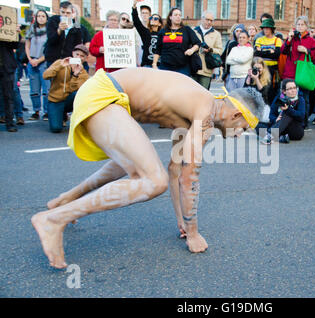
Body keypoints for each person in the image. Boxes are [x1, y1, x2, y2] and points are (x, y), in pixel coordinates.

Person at [30, 67, 266, 269]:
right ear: (236, 114)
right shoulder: (204, 116)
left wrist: (182, 222)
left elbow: (176, 170)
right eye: (244, 128)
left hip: (104, 92)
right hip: (105, 95)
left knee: (141, 166)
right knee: (154, 181)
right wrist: (193, 234)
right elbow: (189, 177)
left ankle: (66, 199)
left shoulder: (197, 109)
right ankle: (54, 219)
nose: (240, 134)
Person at [281, 16, 315, 126]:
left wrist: (307, 50)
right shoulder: (292, 38)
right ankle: (285, 120)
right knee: (287, 98)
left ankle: (303, 122)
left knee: (303, 99)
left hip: (303, 74)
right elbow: (283, 51)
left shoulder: (311, 40)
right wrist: (288, 39)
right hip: (290, 72)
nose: (300, 26)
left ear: (306, 26)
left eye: (302, 24)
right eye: (298, 24)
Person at [43, 44, 89, 133]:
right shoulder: (60, 62)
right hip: (55, 100)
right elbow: (45, 75)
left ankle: (78, 119)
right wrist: (60, 65)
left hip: (69, 99)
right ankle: (61, 114)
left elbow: (74, 89)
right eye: (77, 54)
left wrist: (76, 74)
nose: (79, 57)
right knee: (56, 129)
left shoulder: (83, 73)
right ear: (72, 54)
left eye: (82, 56)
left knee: (79, 95)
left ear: (85, 58)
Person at [153, 7, 200, 77]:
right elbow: (158, 50)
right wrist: (154, 64)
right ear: (170, 17)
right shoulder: (163, 31)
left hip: (182, 68)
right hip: (165, 67)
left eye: (180, 15)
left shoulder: (187, 30)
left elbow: (197, 43)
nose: (178, 17)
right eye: (176, 15)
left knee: (182, 87)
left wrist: (192, 50)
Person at [45, 1, 91, 68]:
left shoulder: (77, 25)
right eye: (63, 12)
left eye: (68, 13)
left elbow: (77, 44)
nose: (65, 15)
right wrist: (59, 30)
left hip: (69, 60)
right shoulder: (53, 21)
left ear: (72, 13)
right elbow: (51, 40)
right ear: (59, 11)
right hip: (53, 59)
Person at [262, 78, 306, 144]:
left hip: (295, 130)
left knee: (286, 114)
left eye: (294, 88)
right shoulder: (279, 99)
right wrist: (275, 119)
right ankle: (281, 138)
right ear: (284, 91)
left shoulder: (300, 99)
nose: (293, 90)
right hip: (281, 127)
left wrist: (288, 109)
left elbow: (301, 116)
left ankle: (270, 135)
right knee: (259, 125)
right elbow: (271, 115)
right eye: (290, 89)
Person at [25, 10, 50, 121]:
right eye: (38, 16)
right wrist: (30, 59)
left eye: (43, 16)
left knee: (46, 89)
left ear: (46, 18)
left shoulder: (50, 30)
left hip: (43, 62)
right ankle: (36, 111)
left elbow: (49, 49)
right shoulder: (32, 29)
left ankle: (46, 112)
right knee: (34, 90)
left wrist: (39, 60)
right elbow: (27, 45)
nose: (40, 18)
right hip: (32, 62)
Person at [254, 18, 282, 105]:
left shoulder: (277, 40)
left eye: (267, 28)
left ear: (272, 29)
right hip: (261, 69)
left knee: (271, 91)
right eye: (264, 28)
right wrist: (269, 51)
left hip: (273, 70)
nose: (265, 30)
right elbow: (256, 53)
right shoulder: (259, 39)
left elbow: (276, 54)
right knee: (260, 90)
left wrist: (262, 52)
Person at [193, 11, 223, 90]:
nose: (209, 22)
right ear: (202, 19)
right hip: (193, 68)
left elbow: (220, 50)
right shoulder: (193, 31)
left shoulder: (216, 34)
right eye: (207, 19)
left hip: (206, 70)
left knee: (203, 95)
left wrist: (210, 49)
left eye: (211, 20)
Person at [0, 27, 20, 132]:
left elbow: (15, 45)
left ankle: (10, 123)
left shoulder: (6, 27)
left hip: (6, 67)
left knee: (8, 96)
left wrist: (16, 34)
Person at [132, 0, 162, 68]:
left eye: (156, 18)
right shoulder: (146, 32)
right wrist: (134, 7)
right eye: (151, 18)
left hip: (159, 66)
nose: (153, 19)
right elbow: (136, 22)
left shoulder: (162, 34)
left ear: (160, 23)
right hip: (147, 65)